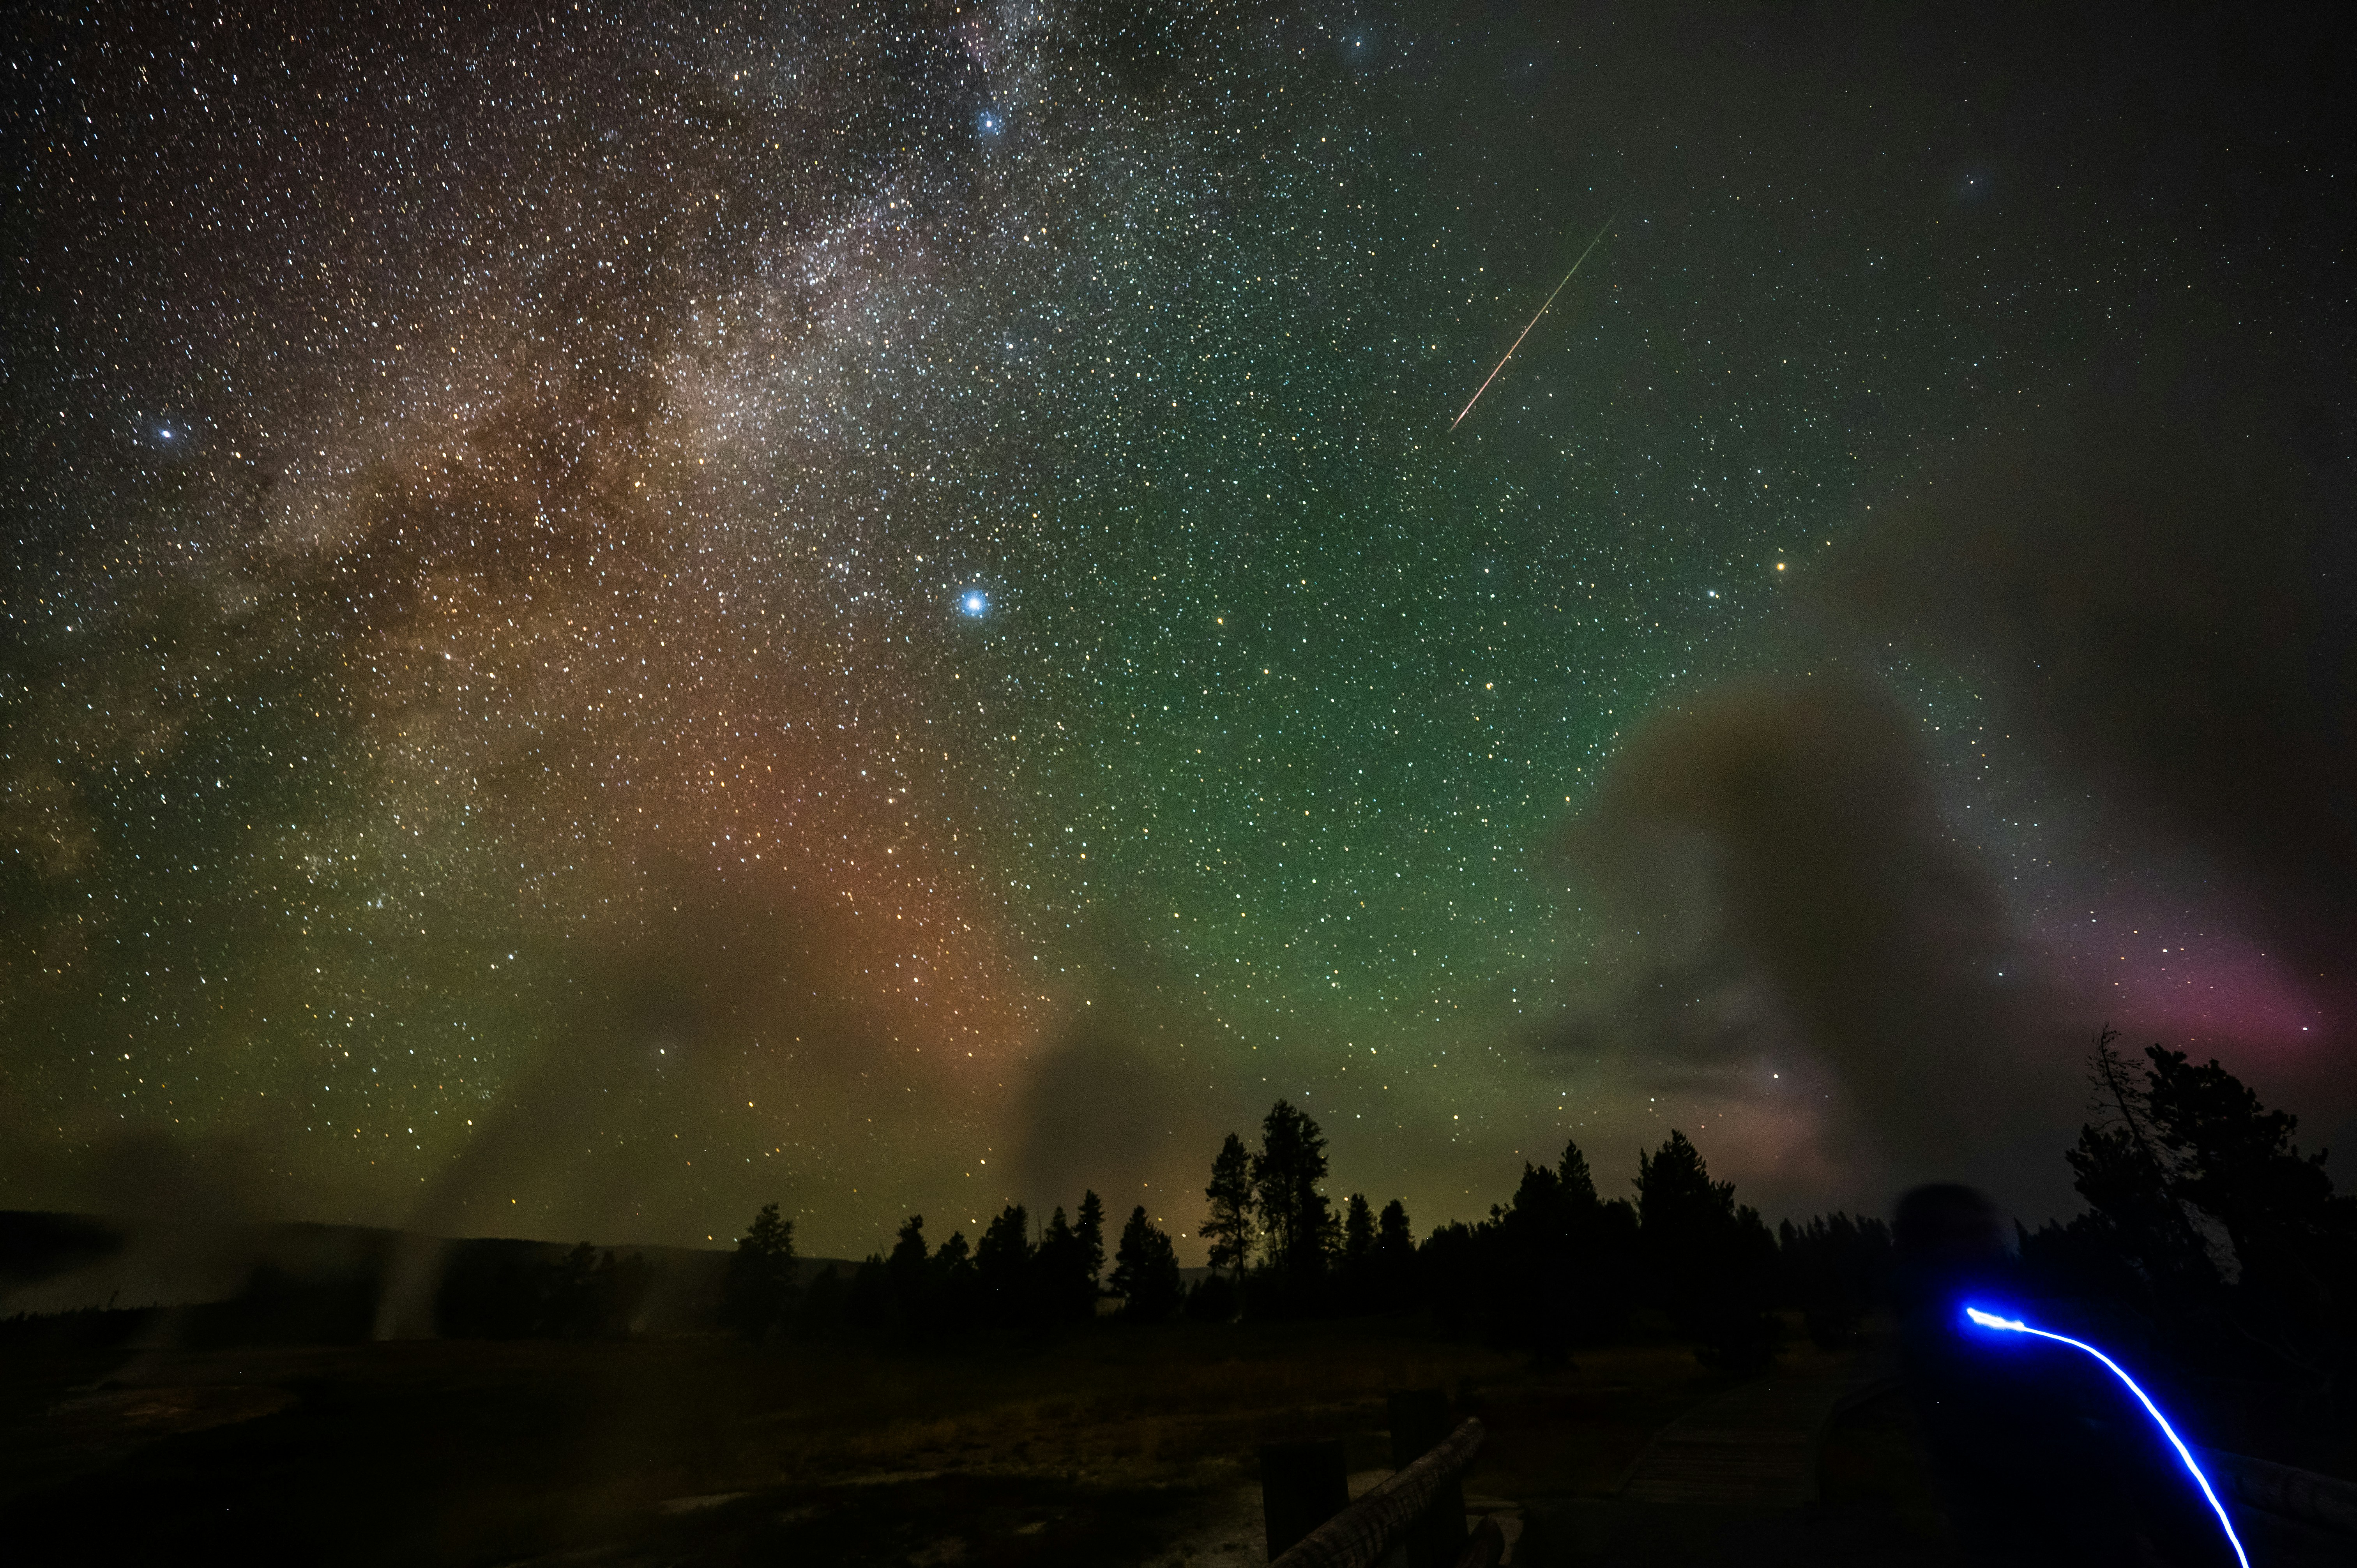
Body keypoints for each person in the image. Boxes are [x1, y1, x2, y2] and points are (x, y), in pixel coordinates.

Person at [1891, 1184, 2236, 1567]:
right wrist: (2110, 1447)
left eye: (1988, 1229)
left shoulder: (1986, 1319)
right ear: (1935, 1245)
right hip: (2043, 1548)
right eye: (1973, 1233)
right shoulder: (1940, 1334)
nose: (1992, 1241)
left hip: (2079, 1540)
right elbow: (2013, 1448)